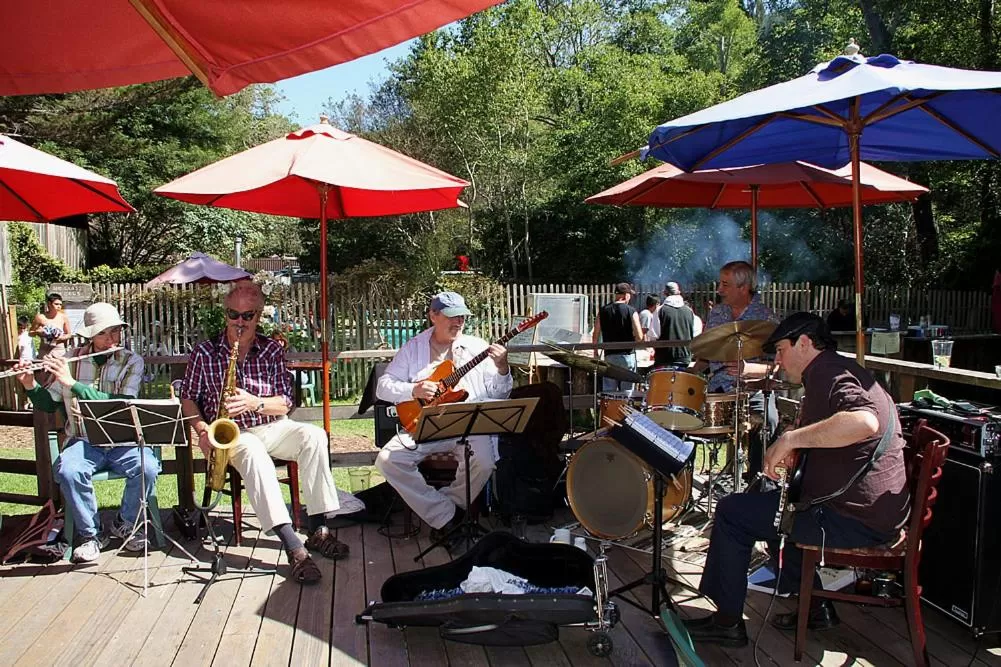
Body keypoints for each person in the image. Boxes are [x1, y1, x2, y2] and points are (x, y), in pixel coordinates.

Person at [684, 312, 909, 647]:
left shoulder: (828, 374)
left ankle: (727, 621)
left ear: (804, 343)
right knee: (777, 506)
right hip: (869, 511)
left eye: (781, 350)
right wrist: (795, 436)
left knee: (733, 512)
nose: (777, 359)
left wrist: (790, 441)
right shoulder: (833, 369)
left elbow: (865, 422)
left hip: (854, 519)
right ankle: (817, 606)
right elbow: (823, 421)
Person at [180, 281, 355, 586]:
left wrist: (254, 402)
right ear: (225, 314)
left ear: (258, 316)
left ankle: (318, 528)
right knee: (252, 452)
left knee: (314, 437)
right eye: (233, 314)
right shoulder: (204, 352)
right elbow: (187, 397)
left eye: (247, 316)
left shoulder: (272, 349)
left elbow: (286, 401)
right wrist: (201, 428)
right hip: (233, 433)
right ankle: (293, 546)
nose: (239, 322)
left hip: (272, 424)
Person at [14, 302, 157, 563]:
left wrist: (73, 384)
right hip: (83, 439)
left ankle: (125, 523)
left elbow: (121, 403)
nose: (112, 338)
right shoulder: (69, 359)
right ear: (90, 335)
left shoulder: (131, 361)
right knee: (69, 470)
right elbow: (49, 403)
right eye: (104, 333)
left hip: (122, 439)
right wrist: (30, 384)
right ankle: (91, 535)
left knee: (147, 466)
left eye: (116, 331)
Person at [375, 291, 512, 544]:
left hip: (469, 424)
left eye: (461, 317)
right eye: (451, 316)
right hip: (426, 424)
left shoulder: (477, 347)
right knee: (387, 460)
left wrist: (503, 368)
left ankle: (447, 514)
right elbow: (383, 386)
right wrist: (412, 390)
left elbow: (500, 394)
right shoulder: (413, 347)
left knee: (484, 461)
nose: (458, 322)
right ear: (433, 316)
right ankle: (450, 517)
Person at [697, 261, 781, 478]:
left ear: (743, 288)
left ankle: (757, 482)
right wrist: (689, 373)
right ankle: (680, 487)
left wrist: (750, 369)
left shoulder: (766, 318)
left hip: (753, 390)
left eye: (725, 285)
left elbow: (780, 362)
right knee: (682, 416)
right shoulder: (717, 314)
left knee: (768, 420)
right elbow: (706, 354)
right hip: (719, 390)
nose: (719, 290)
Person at [592, 282, 643, 391]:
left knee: (609, 392)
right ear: (626, 295)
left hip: (610, 356)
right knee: (627, 392)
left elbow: (595, 334)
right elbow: (639, 336)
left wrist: (595, 353)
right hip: (627, 356)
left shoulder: (603, 311)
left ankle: (610, 408)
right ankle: (625, 407)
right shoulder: (631, 311)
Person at [31, 292, 72, 387]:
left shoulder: (63, 317)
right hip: (44, 351)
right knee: (43, 376)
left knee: (59, 376)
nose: (59, 307)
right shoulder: (40, 317)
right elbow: (31, 333)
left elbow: (69, 334)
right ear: (49, 304)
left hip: (58, 350)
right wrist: (40, 332)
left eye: (60, 304)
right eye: (56, 304)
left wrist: (60, 337)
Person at [654, 282, 696, 368]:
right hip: (685, 358)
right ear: (679, 292)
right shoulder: (689, 311)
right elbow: (695, 333)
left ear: (665, 293)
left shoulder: (660, 310)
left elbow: (654, 334)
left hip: (665, 358)